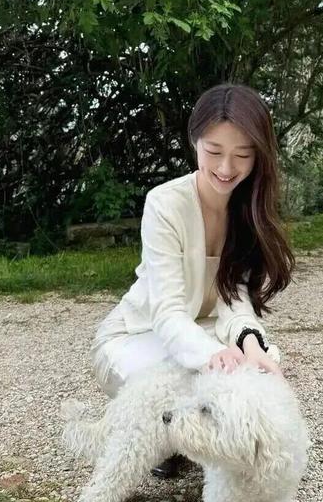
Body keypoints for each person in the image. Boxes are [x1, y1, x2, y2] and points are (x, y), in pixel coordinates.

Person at [90, 83, 295, 477]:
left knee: (263, 361)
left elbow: (235, 298)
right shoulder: (165, 203)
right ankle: (161, 436)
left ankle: (206, 439)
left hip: (196, 331)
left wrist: (250, 344)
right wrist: (214, 357)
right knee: (188, 373)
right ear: (194, 142)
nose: (226, 168)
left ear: (259, 155)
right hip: (137, 337)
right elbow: (167, 311)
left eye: (242, 155)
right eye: (214, 151)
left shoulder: (248, 210)